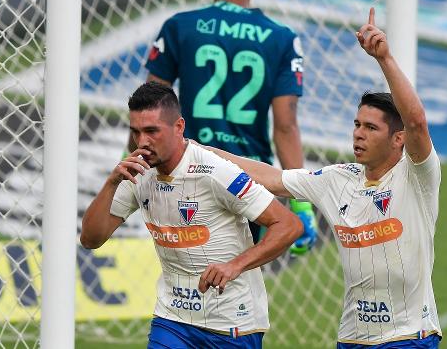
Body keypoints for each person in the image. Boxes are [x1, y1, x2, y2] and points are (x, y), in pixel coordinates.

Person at [202, 8, 443, 348]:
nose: (358, 134)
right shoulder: (336, 179)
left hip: (409, 337)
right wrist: (196, 152)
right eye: (357, 125)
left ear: (397, 139)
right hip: (352, 338)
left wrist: (384, 58)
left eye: (371, 128)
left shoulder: (417, 176)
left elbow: (416, 121)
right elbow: (270, 177)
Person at [82, 82, 303, 348]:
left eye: (152, 131)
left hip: (232, 323)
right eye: (136, 132)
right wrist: (111, 183)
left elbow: (288, 225)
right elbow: (91, 239)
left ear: (179, 127)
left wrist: (235, 265)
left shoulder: (215, 171)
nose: (142, 142)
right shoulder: (137, 172)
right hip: (173, 318)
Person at [137, 0, 316, 251]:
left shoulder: (181, 27)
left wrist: (134, 169)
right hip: (249, 177)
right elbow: (285, 124)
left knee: (187, 274)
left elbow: (150, 107)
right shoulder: (282, 38)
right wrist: (301, 204)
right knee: (237, 277)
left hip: (188, 168)